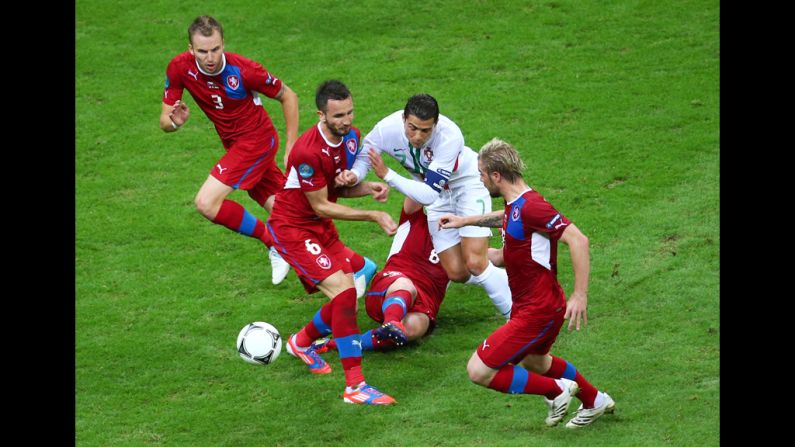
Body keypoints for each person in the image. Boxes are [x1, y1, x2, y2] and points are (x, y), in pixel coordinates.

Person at [438, 138, 615, 428]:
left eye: (482, 174)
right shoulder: (516, 205)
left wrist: (580, 294)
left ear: (496, 176)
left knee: (479, 370)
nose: (480, 180)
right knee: (536, 362)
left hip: (539, 310)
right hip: (535, 306)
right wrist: (464, 221)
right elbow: (506, 220)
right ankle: (595, 399)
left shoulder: (533, 207)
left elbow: (578, 240)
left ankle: (556, 390)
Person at [265, 80, 397, 405]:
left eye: (350, 112)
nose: (347, 120)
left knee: (348, 299)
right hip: (294, 229)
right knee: (345, 292)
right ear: (321, 114)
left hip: (317, 225)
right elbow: (321, 204)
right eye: (339, 115)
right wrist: (373, 215)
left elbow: (334, 190)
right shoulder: (306, 151)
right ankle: (355, 387)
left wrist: (368, 188)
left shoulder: (351, 138)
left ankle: (301, 342)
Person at [338, 94, 512, 319]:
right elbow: (366, 154)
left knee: (475, 262)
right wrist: (354, 174)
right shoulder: (387, 129)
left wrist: (388, 175)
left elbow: (429, 195)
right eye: (412, 128)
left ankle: (516, 315)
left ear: (436, 125)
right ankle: (504, 263)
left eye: (425, 130)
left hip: (466, 186)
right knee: (457, 271)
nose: (418, 136)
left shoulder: (450, 136)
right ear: (403, 119)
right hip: (439, 196)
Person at [160, 15, 297, 285]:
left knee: (206, 202)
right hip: (235, 144)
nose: (210, 57)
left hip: (256, 140)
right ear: (191, 49)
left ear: (223, 44)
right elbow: (164, 120)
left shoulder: (244, 70)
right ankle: (356, 267)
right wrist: (174, 124)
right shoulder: (179, 68)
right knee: (291, 215)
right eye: (202, 51)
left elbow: (288, 95)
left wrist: (291, 144)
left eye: (215, 49)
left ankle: (273, 242)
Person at [316, 197, 450, 353]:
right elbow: (417, 190)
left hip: (426, 300)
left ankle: (337, 344)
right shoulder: (415, 218)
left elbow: (479, 262)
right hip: (392, 283)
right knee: (405, 285)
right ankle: (391, 322)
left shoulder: (461, 245)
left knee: (416, 328)